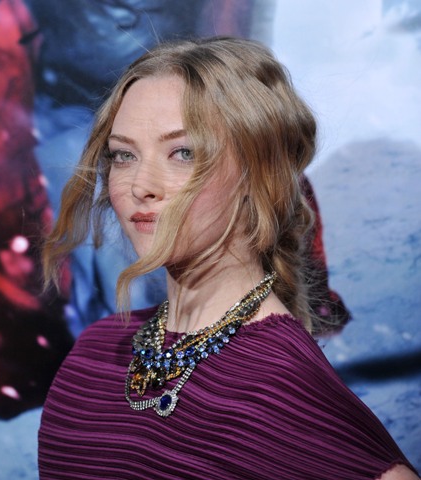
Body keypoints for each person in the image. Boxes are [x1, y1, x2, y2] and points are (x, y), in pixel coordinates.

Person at [38, 37, 418, 479]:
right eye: (124, 155)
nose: (140, 184)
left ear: (259, 175)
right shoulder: (95, 354)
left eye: (183, 153)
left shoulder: (281, 383)